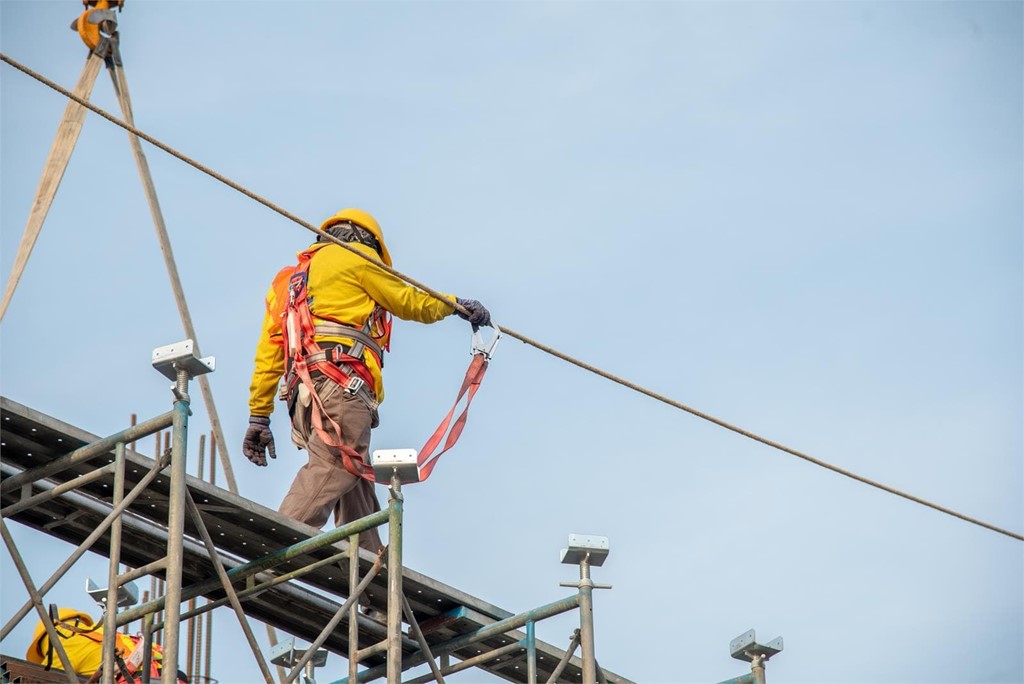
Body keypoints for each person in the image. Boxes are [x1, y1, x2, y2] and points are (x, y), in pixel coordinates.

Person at [242, 208, 489, 553]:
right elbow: (406, 300)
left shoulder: (289, 280)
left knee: (353, 475)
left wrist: (258, 415)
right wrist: (453, 305)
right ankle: (271, 546)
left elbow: (269, 354)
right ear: (367, 240)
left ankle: (372, 580)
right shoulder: (357, 258)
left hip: (305, 395)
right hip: (340, 388)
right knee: (334, 468)